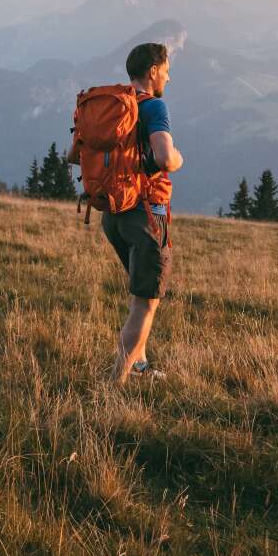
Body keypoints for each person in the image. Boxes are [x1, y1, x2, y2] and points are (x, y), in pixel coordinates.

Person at [103, 42, 183, 384]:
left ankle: (140, 367)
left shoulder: (113, 106)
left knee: (140, 293)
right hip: (146, 214)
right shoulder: (153, 106)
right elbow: (165, 158)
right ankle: (114, 384)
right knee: (146, 303)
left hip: (113, 214)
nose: (167, 75)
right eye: (165, 69)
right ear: (153, 71)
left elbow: (72, 155)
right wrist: (178, 158)